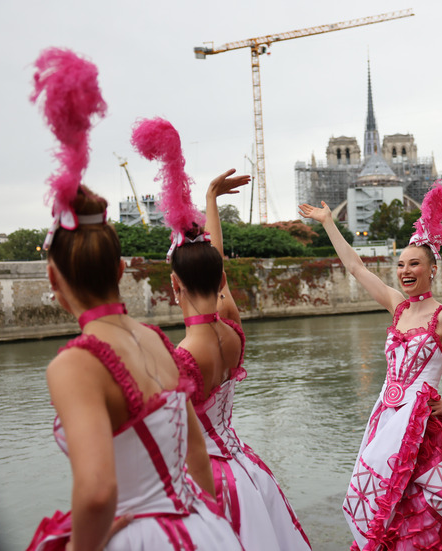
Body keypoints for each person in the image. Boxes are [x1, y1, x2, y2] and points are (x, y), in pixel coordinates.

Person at [26, 49, 240, 550]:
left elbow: (98, 492)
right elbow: (196, 454)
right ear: (122, 271)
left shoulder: (74, 364)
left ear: (55, 282)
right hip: (198, 525)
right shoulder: (155, 340)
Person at [130, 116, 311, 549]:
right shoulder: (231, 326)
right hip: (245, 470)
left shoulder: (182, 357)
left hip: (212, 481)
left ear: (174, 284)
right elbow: (216, 259)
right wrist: (209, 198)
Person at [299, 182, 442, 551]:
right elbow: (355, 267)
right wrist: (329, 221)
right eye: (400, 265)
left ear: (432, 270)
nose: (405, 271)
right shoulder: (398, 306)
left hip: (425, 428)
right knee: (383, 502)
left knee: (424, 507)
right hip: (387, 419)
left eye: (414, 264)